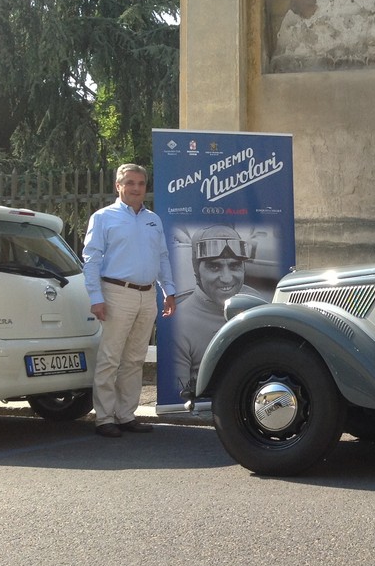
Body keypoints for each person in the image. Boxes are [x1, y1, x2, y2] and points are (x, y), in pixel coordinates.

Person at [83, 164, 176, 438]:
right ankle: (104, 418)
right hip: (115, 293)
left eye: (141, 183)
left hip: (147, 295)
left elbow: (162, 258)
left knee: (135, 358)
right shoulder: (103, 218)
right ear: (118, 186)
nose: (136, 188)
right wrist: (95, 297)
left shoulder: (153, 220)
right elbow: (91, 259)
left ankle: (126, 415)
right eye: (130, 183)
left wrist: (168, 291)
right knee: (110, 358)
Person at [173, 225, 260, 402]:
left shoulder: (259, 306)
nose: (227, 278)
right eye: (214, 267)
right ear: (197, 272)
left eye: (235, 266)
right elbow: (178, 396)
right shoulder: (179, 325)